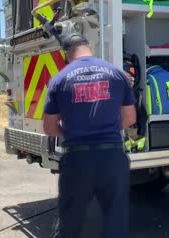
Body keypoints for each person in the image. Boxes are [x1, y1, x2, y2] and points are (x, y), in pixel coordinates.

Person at [43, 34, 136, 238]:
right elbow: (129, 119)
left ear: (67, 54)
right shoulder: (117, 74)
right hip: (112, 158)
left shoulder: (59, 79)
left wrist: (72, 133)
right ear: (89, 47)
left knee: (70, 224)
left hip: (77, 160)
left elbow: (49, 127)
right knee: (116, 223)